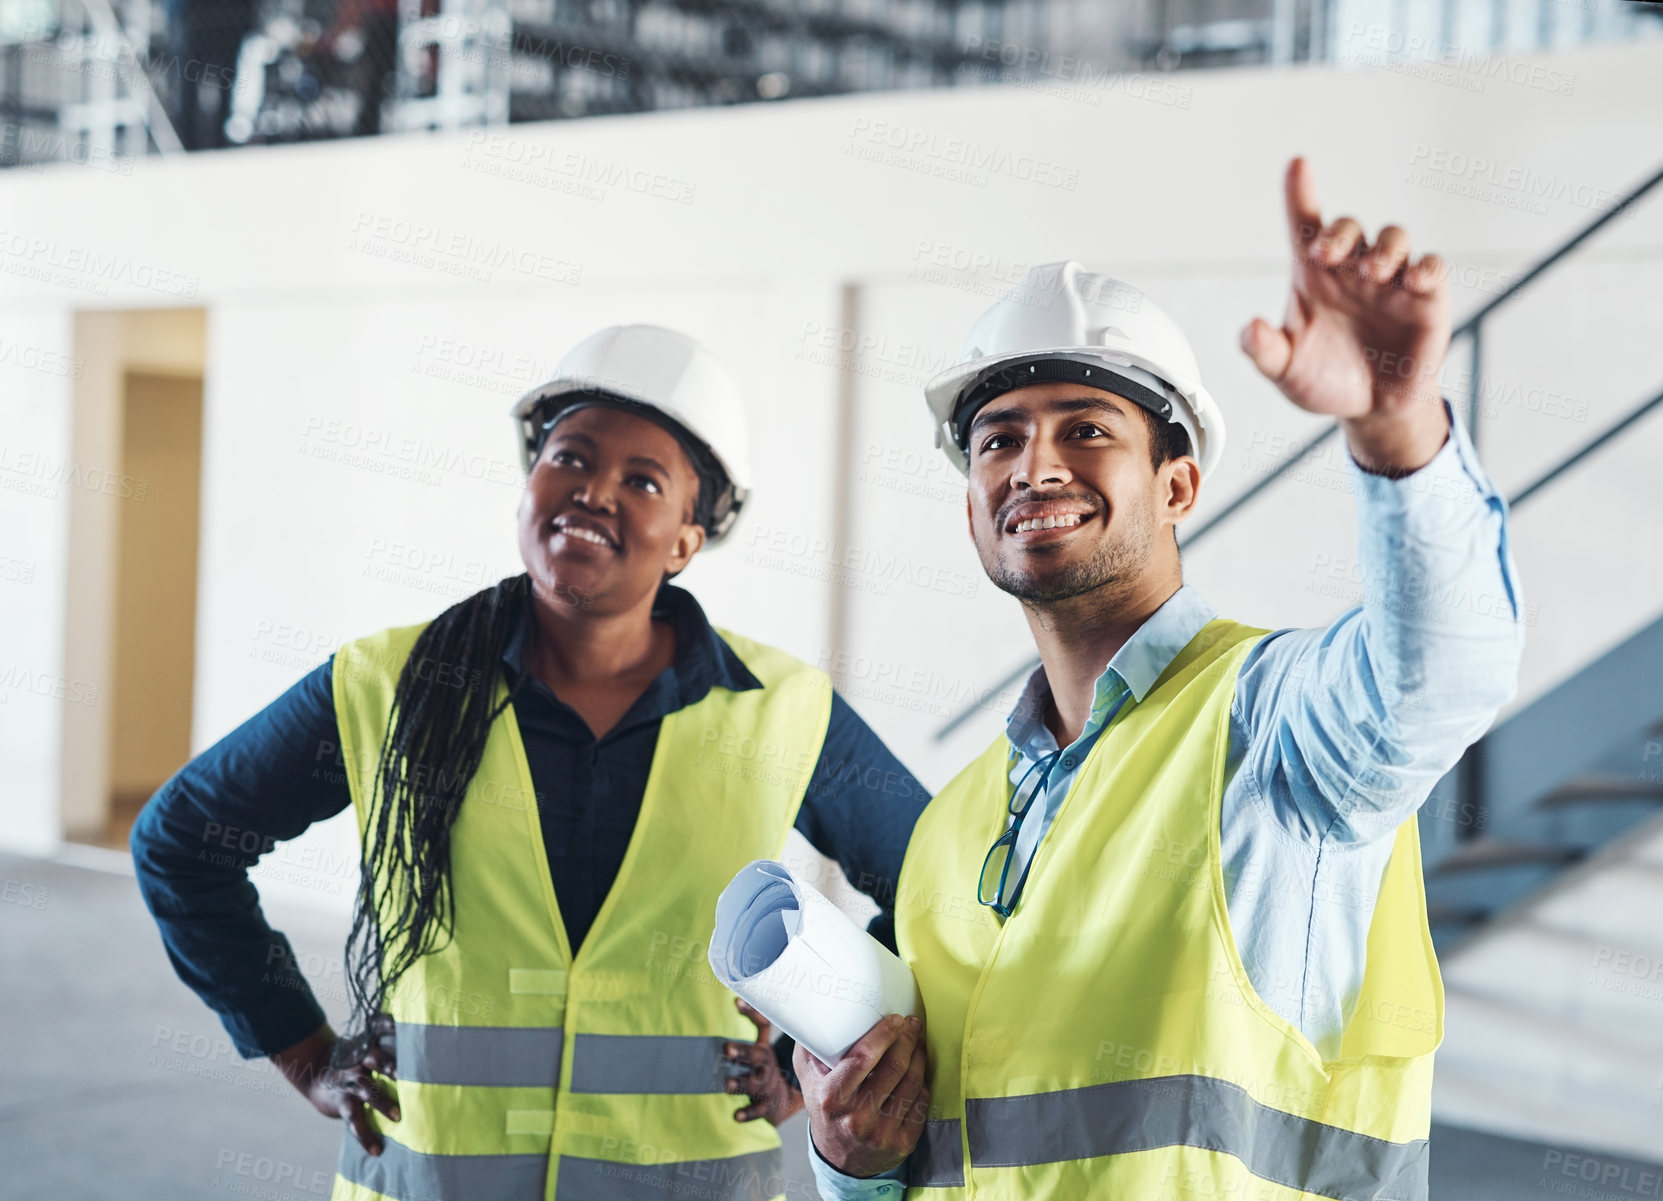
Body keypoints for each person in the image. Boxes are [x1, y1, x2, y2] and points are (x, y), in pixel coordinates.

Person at [799, 158, 1525, 1198]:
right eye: (998, 439)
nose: (1034, 465)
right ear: (971, 509)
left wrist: (1397, 429)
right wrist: (846, 1161)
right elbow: (928, 1161)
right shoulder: (951, 832)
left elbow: (1442, 672)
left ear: (1177, 483)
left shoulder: (1272, 728)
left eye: (1086, 429)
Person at [131, 324, 931, 1201]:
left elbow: (935, 887)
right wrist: (302, 1050)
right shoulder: (388, 686)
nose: (593, 492)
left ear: (685, 541)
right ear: (528, 485)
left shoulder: (781, 707)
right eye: (570, 459)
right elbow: (182, 839)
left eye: (643, 480)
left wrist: (804, 1050)